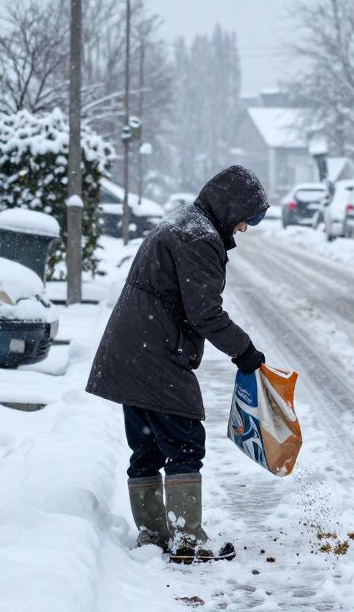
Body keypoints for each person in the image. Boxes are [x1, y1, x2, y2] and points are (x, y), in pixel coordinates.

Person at [86, 165, 269, 563]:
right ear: (231, 207)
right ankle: (187, 539)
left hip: (132, 349)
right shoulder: (199, 237)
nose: (243, 228)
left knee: (148, 445)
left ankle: (153, 536)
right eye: (244, 219)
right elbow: (204, 312)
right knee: (185, 441)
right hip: (155, 353)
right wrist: (244, 350)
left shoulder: (184, 223)